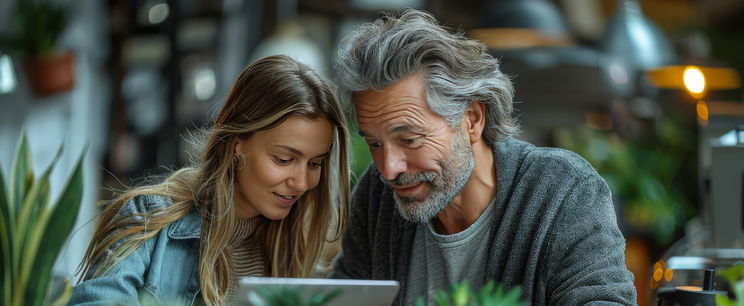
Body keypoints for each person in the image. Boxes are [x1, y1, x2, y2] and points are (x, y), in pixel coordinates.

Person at [331, 9, 637, 305]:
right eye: (375, 144)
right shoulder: (377, 197)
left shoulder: (562, 192)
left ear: (472, 119)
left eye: (410, 140)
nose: (388, 169)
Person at [70, 55, 350, 305]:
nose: (302, 183)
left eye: (315, 163)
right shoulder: (149, 219)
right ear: (237, 146)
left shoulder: (305, 241)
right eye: (284, 160)